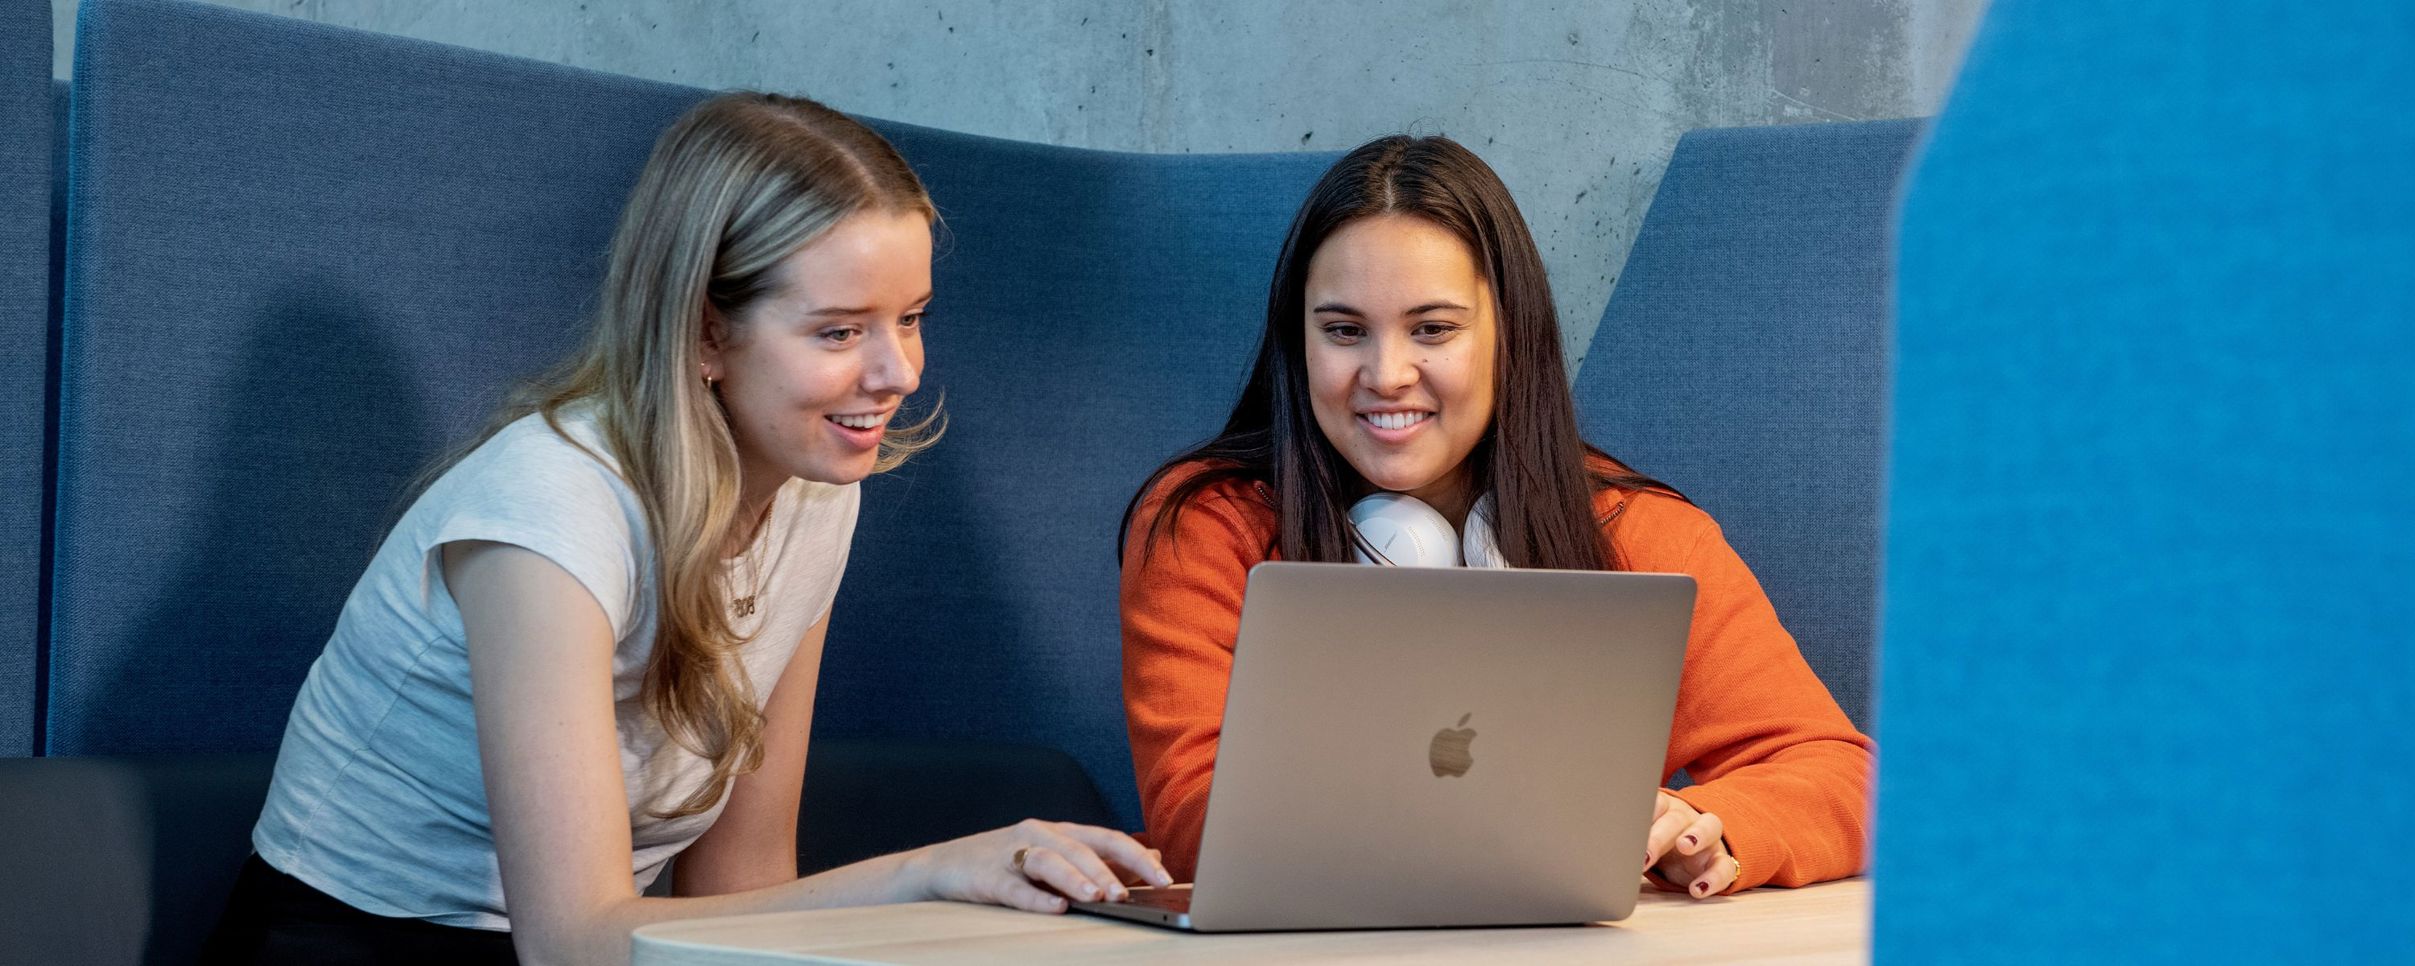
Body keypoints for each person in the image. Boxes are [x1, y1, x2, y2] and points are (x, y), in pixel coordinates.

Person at [206, 92, 1167, 966]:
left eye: (909, 317)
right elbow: (573, 943)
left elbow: (738, 883)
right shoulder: (550, 511)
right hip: (351, 945)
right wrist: (922, 874)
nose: (898, 371)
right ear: (706, 333)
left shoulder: (817, 491)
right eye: (838, 332)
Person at [1119, 134, 1873, 900]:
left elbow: (1845, 776)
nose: (1385, 375)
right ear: (1298, 342)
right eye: (1343, 331)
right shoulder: (1205, 523)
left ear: (1508, 335)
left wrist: (1703, 822)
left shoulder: (1632, 528)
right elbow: (1197, 820)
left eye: (1433, 330)